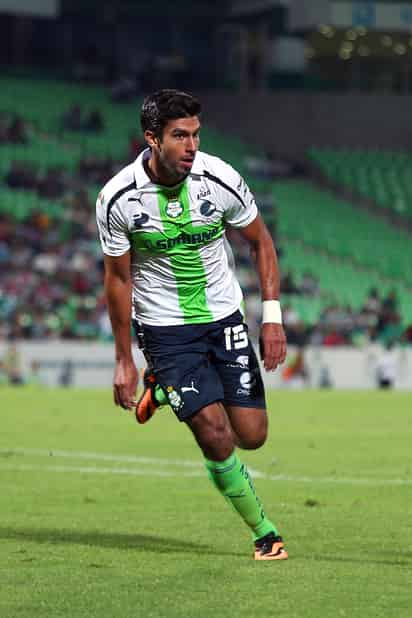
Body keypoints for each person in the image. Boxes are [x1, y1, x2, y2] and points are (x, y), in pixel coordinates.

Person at [96, 89, 288, 561]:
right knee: (215, 432)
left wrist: (272, 317)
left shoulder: (219, 178)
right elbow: (118, 280)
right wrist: (124, 360)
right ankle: (264, 533)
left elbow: (260, 242)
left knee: (253, 434)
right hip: (164, 329)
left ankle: (161, 387)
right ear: (152, 139)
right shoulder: (118, 197)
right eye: (179, 136)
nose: (191, 146)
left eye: (195, 134)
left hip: (223, 316)